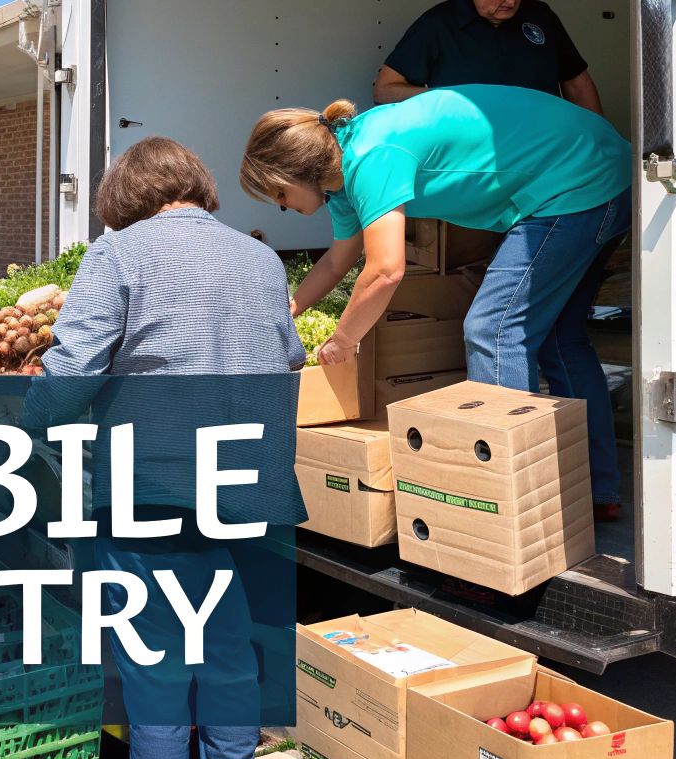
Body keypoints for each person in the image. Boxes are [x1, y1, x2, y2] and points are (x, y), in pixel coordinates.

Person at [239, 86, 631, 521]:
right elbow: (336, 262)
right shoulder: (343, 178)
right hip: (596, 171)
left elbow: (385, 270)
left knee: (492, 329)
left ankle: (507, 512)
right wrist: (284, 312)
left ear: (297, 174)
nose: (280, 207)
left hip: (579, 178)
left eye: (277, 195)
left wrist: (344, 340)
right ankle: (599, 491)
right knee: (560, 337)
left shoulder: (372, 155)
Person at [43, 136, 305, 759]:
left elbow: (73, 369)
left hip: (156, 488)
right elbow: (290, 356)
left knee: (155, 660)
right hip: (249, 490)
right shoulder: (261, 259)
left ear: (124, 199)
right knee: (227, 650)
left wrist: (25, 421)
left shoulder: (117, 253)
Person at [374, 0, 604, 115]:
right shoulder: (438, 23)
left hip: (542, 147)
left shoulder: (541, 15)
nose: (512, 1)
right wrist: (446, 97)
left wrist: (601, 136)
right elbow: (385, 90)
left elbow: (577, 82)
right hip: (473, 153)